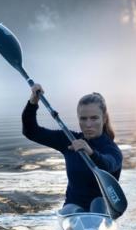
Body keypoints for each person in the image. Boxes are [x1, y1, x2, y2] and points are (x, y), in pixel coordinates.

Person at [22, 84, 122, 215]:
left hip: (102, 210)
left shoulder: (112, 150)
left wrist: (91, 153)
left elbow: (108, 164)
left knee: (98, 203)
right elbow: (31, 131)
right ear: (78, 119)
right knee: (70, 209)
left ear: (104, 119)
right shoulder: (70, 140)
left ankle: (100, 227)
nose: (88, 124)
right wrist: (33, 102)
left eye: (94, 118)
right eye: (83, 118)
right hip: (73, 211)